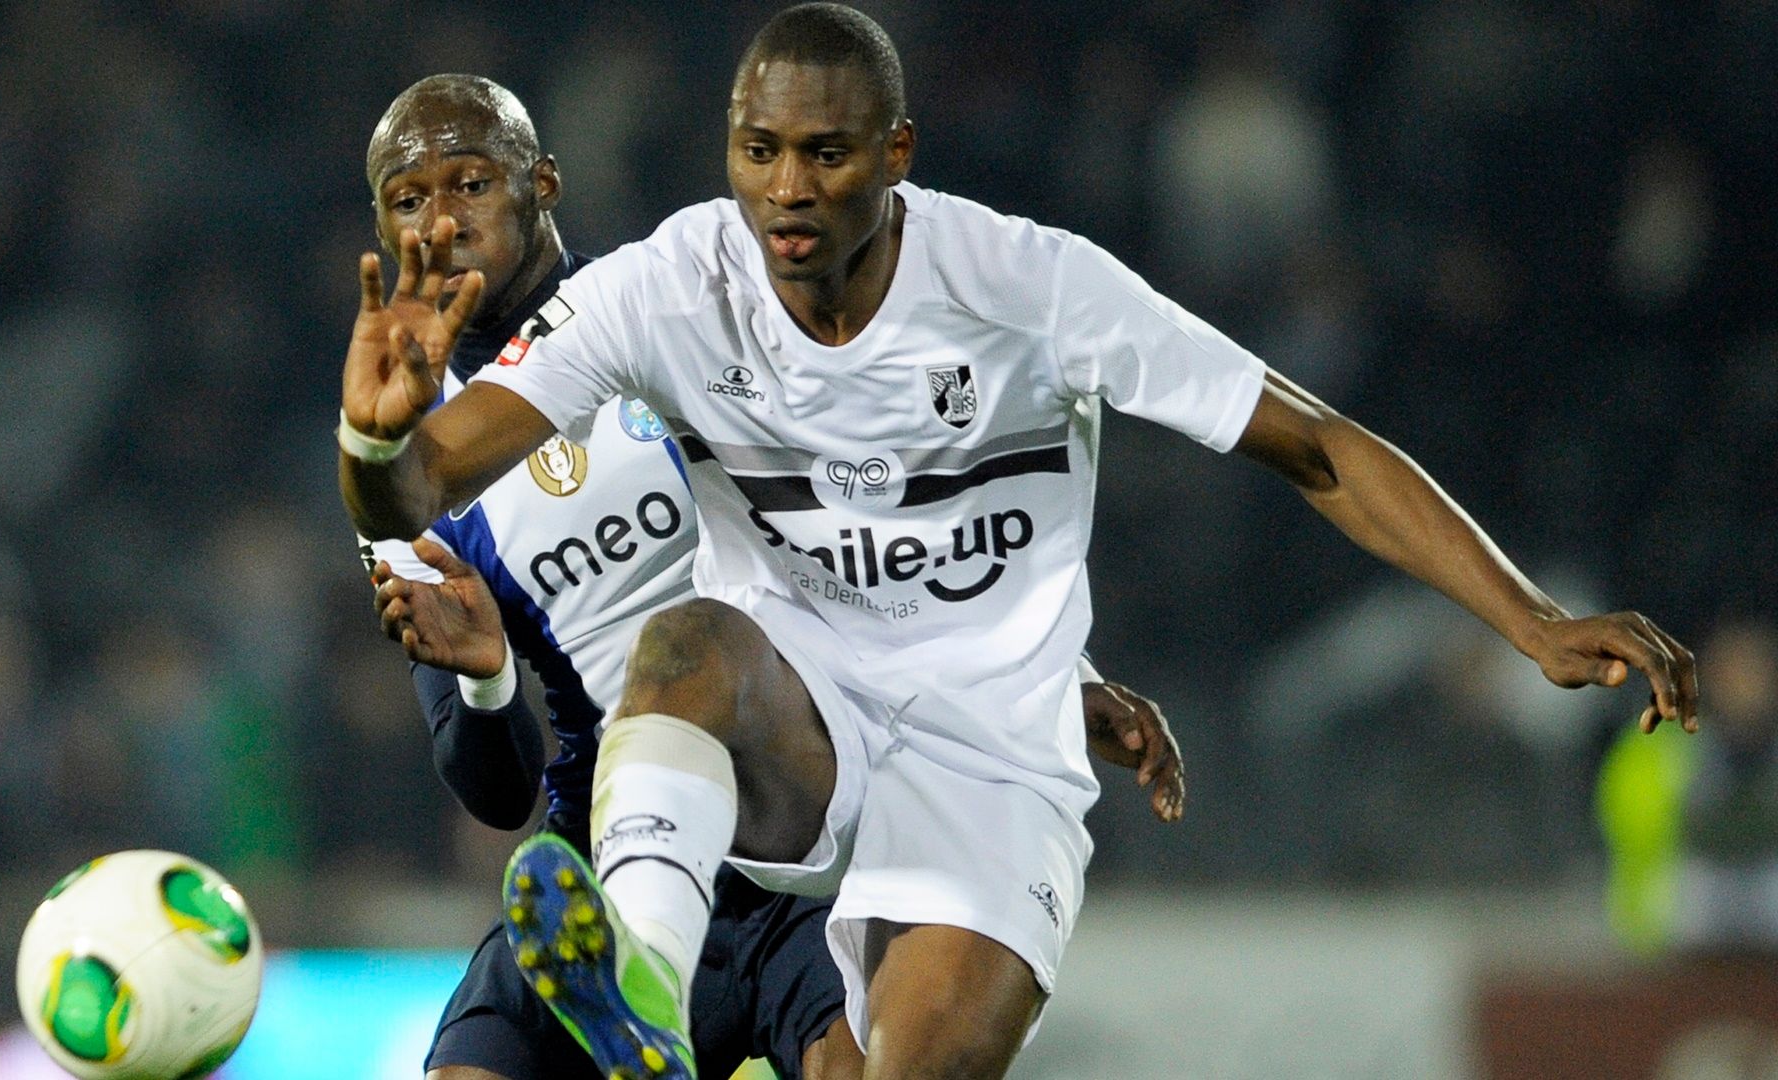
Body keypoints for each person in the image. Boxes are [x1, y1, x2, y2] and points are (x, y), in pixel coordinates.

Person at [336, 7, 1698, 1078]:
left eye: (827, 154)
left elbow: (1316, 445)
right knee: (689, 644)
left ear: (898, 154)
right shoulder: (670, 286)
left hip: (989, 756)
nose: (788, 190)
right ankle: (642, 982)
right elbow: (423, 488)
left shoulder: (1028, 286)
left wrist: (1528, 618)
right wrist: (376, 440)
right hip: (797, 722)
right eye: (759, 151)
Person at [352, 73, 1185, 1080]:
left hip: (801, 811)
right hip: (619, 840)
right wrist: (487, 680)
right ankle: (642, 979)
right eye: (409, 199)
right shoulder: (402, 463)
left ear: (544, 183)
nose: (442, 223)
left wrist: (1056, 672)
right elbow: (496, 795)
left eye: (471, 184)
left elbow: (890, 526)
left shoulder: (671, 314)